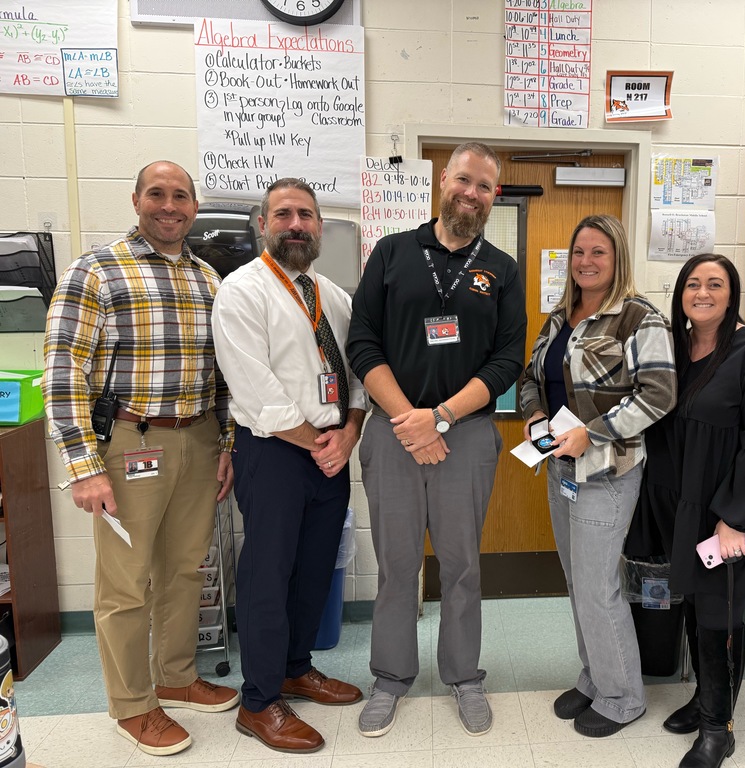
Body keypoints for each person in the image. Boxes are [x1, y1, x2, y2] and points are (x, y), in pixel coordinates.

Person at [42, 160, 239, 757]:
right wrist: (83, 465)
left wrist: (225, 443)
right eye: (157, 193)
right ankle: (132, 704)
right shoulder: (96, 271)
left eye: (181, 196)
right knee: (125, 583)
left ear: (194, 207)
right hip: (130, 443)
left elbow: (223, 373)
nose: (169, 205)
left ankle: (174, 677)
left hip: (198, 439)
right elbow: (62, 372)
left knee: (185, 570)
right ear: (136, 200)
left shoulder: (209, 280)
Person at [346, 142, 527, 738]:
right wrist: (410, 421)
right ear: (442, 180)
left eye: (483, 186)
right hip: (394, 434)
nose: (470, 193)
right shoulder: (393, 252)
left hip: (467, 436)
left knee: (462, 565)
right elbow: (363, 344)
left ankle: (463, 675)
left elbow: (506, 361)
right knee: (398, 567)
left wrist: (441, 417)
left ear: (493, 196)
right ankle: (390, 678)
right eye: (463, 179)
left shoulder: (501, 268)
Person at [211, 178, 368, 753]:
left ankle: (296, 668)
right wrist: (317, 441)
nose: (296, 224)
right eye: (283, 214)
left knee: (314, 566)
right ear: (263, 224)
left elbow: (356, 372)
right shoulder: (242, 292)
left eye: (306, 214)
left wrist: (348, 432)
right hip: (276, 452)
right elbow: (256, 389)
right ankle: (257, 701)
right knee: (268, 573)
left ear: (321, 226)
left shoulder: (333, 294)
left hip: (330, 452)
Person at [628, 254, 745, 767]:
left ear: (732, 293)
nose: (702, 293)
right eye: (693, 284)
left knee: (719, 612)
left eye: (715, 284)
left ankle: (717, 729)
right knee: (691, 603)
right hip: (677, 503)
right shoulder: (673, 349)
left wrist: (734, 518)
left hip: (727, 509)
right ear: (680, 293)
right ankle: (705, 699)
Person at [519, 214, 677, 738]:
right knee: (577, 583)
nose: (586, 262)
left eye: (599, 253)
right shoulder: (559, 315)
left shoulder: (639, 317)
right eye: (579, 252)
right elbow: (530, 378)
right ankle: (595, 677)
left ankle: (623, 696)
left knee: (598, 587)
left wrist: (596, 431)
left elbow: (658, 393)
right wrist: (534, 416)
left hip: (608, 470)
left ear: (618, 258)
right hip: (559, 467)